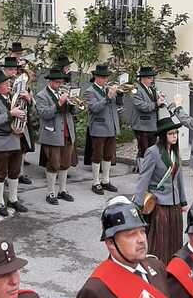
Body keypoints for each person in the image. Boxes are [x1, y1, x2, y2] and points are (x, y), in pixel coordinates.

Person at [132, 107, 187, 263]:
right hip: (159, 202)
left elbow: (179, 178)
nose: (175, 136)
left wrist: (183, 201)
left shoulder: (175, 152)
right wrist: (137, 203)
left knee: (175, 239)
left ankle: (173, 266)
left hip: (174, 203)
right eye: (171, 133)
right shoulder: (153, 152)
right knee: (160, 240)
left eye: (176, 133)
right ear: (163, 135)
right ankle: (156, 266)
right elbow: (144, 178)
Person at [0, 70, 29, 217]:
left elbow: (25, 112)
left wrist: (28, 101)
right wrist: (11, 114)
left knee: (15, 172)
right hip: (2, 141)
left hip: (16, 139)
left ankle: (13, 199)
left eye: (8, 82)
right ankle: (0, 202)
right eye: (5, 83)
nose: (9, 85)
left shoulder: (12, 97)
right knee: (1, 173)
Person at [35, 68, 78, 206]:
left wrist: (72, 104)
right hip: (52, 134)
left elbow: (74, 112)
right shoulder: (41, 95)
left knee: (65, 163)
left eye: (62, 82)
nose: (60, 85)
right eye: (58, 82)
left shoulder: (65, 93)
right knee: (53, 164)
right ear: (51, 82)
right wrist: (59, 103)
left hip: (67, 132)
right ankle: (50, 192)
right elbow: (44, 114)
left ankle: (62, 190)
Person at [84, 63, 121, 196]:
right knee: (97, 156)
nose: (105, 80)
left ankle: (106, 180)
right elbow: (94, 108)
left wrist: (119, 95)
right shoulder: (90, 91)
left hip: (111, 127)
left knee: (108, 155)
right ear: (96, 77)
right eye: (103, 77)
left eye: (106, 77)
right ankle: (95, 182)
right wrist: (107, 98)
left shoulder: (108, 89)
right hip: (99, 127)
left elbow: (118, 105)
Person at [2, 56, 34, 185]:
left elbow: (32, 106)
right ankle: (4, 176)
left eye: (15, 70)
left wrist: (28, 98)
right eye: (10, 70)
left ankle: (19, 173)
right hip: (6, 121)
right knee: (6, 151)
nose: (14, 72)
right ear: (4, 70)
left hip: (22, 119)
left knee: (22, 148)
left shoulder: (22, 83)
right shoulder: (0, 83)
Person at [130, 66, 160, 163]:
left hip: (152, 125)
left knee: (151, 150)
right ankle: (142, 169)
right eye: (150, 78)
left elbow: (154, 103)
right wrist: (156, 104)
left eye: (152, 78)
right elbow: (141, 106)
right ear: (143, 78)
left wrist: (160, 102)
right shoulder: (136, 89)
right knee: (143, 150)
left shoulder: (151, 89)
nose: (152, 80)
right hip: (142, 125)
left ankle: (146, 167)